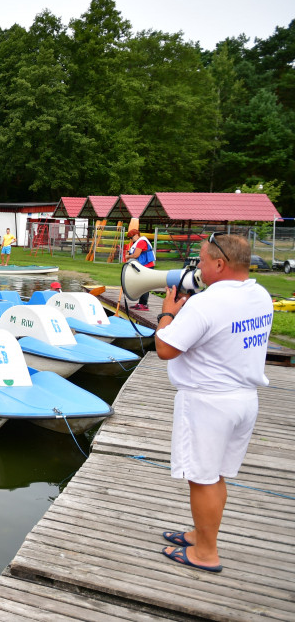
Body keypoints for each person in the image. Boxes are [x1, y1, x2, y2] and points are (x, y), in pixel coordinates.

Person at [154, 234, 271, 573]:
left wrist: (168, 314)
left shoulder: (208, 303)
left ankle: (206, 553)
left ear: (220, 264)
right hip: (243, 401)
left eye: (203, 261)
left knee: (201, 479)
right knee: (216, 475)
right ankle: (200, 535)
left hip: (208, 403)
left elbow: (166, 349)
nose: (198, 269)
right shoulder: (258, 294)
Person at [125, 228, 156, 310]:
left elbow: (136, 255)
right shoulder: (137, 242)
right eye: (130, 238)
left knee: (144, 285)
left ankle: (144, 304)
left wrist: (128, 256)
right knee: (140, 284)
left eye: (131, 237)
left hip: (147, 266)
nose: (131, 240)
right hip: (142, 266)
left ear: (136, 235)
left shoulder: (141, 242)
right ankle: (140, 303)